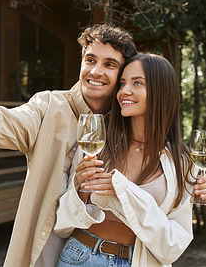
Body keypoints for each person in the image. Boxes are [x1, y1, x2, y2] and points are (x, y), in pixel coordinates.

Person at [0, 24, 206, 267]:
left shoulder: (170, 156)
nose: (96, 71)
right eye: (90, 60)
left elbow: (176, 235)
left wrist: (203, 182)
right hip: (70, 255)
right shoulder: (54, 111)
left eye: (110, 65)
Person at [54, 53, 198, 266]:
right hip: (81, 256)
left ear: (161, 91)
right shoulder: (97, 143)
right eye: (122, 83)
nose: (124, 91)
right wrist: (80, 191)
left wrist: (122, 190)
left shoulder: (181, 162)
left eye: (137, 82)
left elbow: (172, 247)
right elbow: (62, 224)